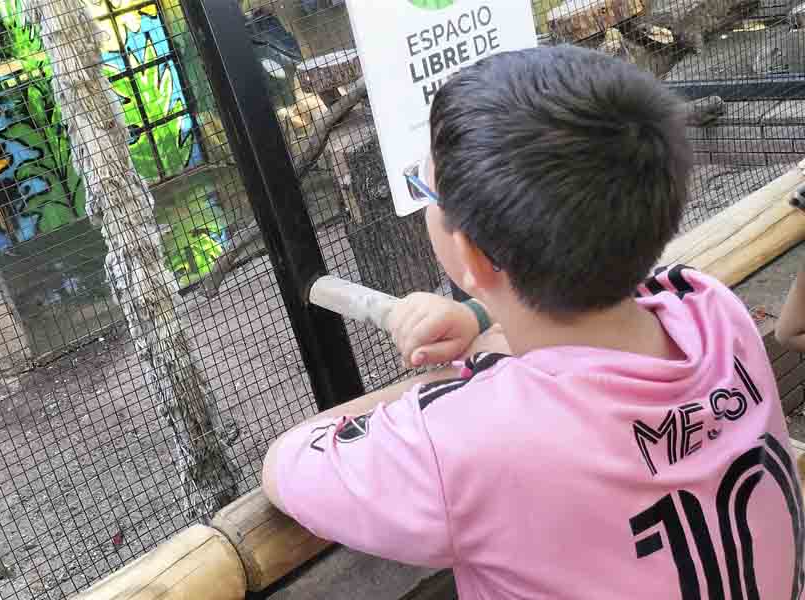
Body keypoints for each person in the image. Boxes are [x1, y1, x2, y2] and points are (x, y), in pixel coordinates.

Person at [260, 45, 803, 599]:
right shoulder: (707, 305)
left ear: (470, 255)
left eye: (426, 190)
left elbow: (286, 462)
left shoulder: (464, 442)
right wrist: (485, 317)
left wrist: (450, 379)